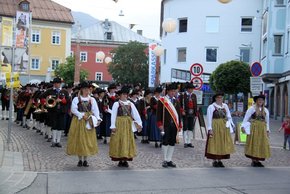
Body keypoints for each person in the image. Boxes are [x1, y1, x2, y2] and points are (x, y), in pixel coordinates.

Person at [66, 81, 102, 167]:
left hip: (88, 121)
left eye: (88, 89)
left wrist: (98, 119)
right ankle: (79, 159)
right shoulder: (76, 99)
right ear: (81, 90)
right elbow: (73, 110)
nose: (87, 91)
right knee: (79, 140)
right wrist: (81, 115)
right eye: (85, 89)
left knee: (87, 140)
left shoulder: (92, 99)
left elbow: (95, 110)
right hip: (79, 121)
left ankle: (85, 159)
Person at [109, 86, 142, 167]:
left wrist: (139, 123)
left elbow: (136, 114)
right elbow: (113, 115)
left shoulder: (131, 104)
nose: (125, 96)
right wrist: (113, 125)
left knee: (127, 141)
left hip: (128, 125)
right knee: (119, 140)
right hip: (119, 123)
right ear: (120, 95)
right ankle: (120, 159)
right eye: (123, 94)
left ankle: (125, 159)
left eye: (126, 94)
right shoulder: (116, 104)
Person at [205, 92, 235, 168]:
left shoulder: (225, 106)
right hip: (215, 126)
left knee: (222, 142)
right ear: (215, 98)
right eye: (218, 97)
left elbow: (229, 116)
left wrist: (230, 124)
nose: (220, 99)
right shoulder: (211, 107)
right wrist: (209, 129)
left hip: (223, 126)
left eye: (221, 97)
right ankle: (215, 160)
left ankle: (220, 160)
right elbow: (209, 118)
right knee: (215, 142)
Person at [157, 83, 182, 168]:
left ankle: (169, 159)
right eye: (172, 91)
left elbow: (178, 114)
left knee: (172, 142)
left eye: (174, 91)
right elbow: (158, 114)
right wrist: (160, 124)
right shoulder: (162, 101)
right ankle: (164, 159)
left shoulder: (176, 101)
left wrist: (180, 125)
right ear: (168, 91)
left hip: (174, 124)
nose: (173, 93)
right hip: (166, 125)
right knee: (165, 141)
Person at [241, 94, 271, 167]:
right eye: (259, 100)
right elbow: (246, 118)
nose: (260, 101)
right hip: (254, 128)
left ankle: (258, 160)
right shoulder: (252, 108)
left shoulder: (266, 110)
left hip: (262, 129)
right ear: (256, 101)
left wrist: (267, 130)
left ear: (264, 101)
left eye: (262, 100)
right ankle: (254, 160)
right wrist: (243, 126)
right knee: (254, 143)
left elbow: (267, 121)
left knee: (261, 143)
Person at [40, 78, 69, 147]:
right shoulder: (50, 91)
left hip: (61, 111)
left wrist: (62, 101)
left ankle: (58, 141)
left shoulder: (64, 91)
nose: (56, 84)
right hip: (52, 111)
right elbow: (41, 97)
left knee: (60, 126)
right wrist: (46, 103)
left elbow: (68, 100)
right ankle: (53, 141)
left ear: (60, 84)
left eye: (58, 83)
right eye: (55, 83)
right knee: (54, 126)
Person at [179, 82, 198, 148]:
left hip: (192, 113)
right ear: (187, 89)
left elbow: (195, 105)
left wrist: (196, 113)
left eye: (192, 89)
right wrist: (182, 111)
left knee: (190, 128)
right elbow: (179, 105)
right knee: (185, 127)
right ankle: (185, 142)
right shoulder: (182, 95)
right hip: (185, 113)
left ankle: (189, 141)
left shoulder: (194, 95)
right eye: (190, 89)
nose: (192, 90)